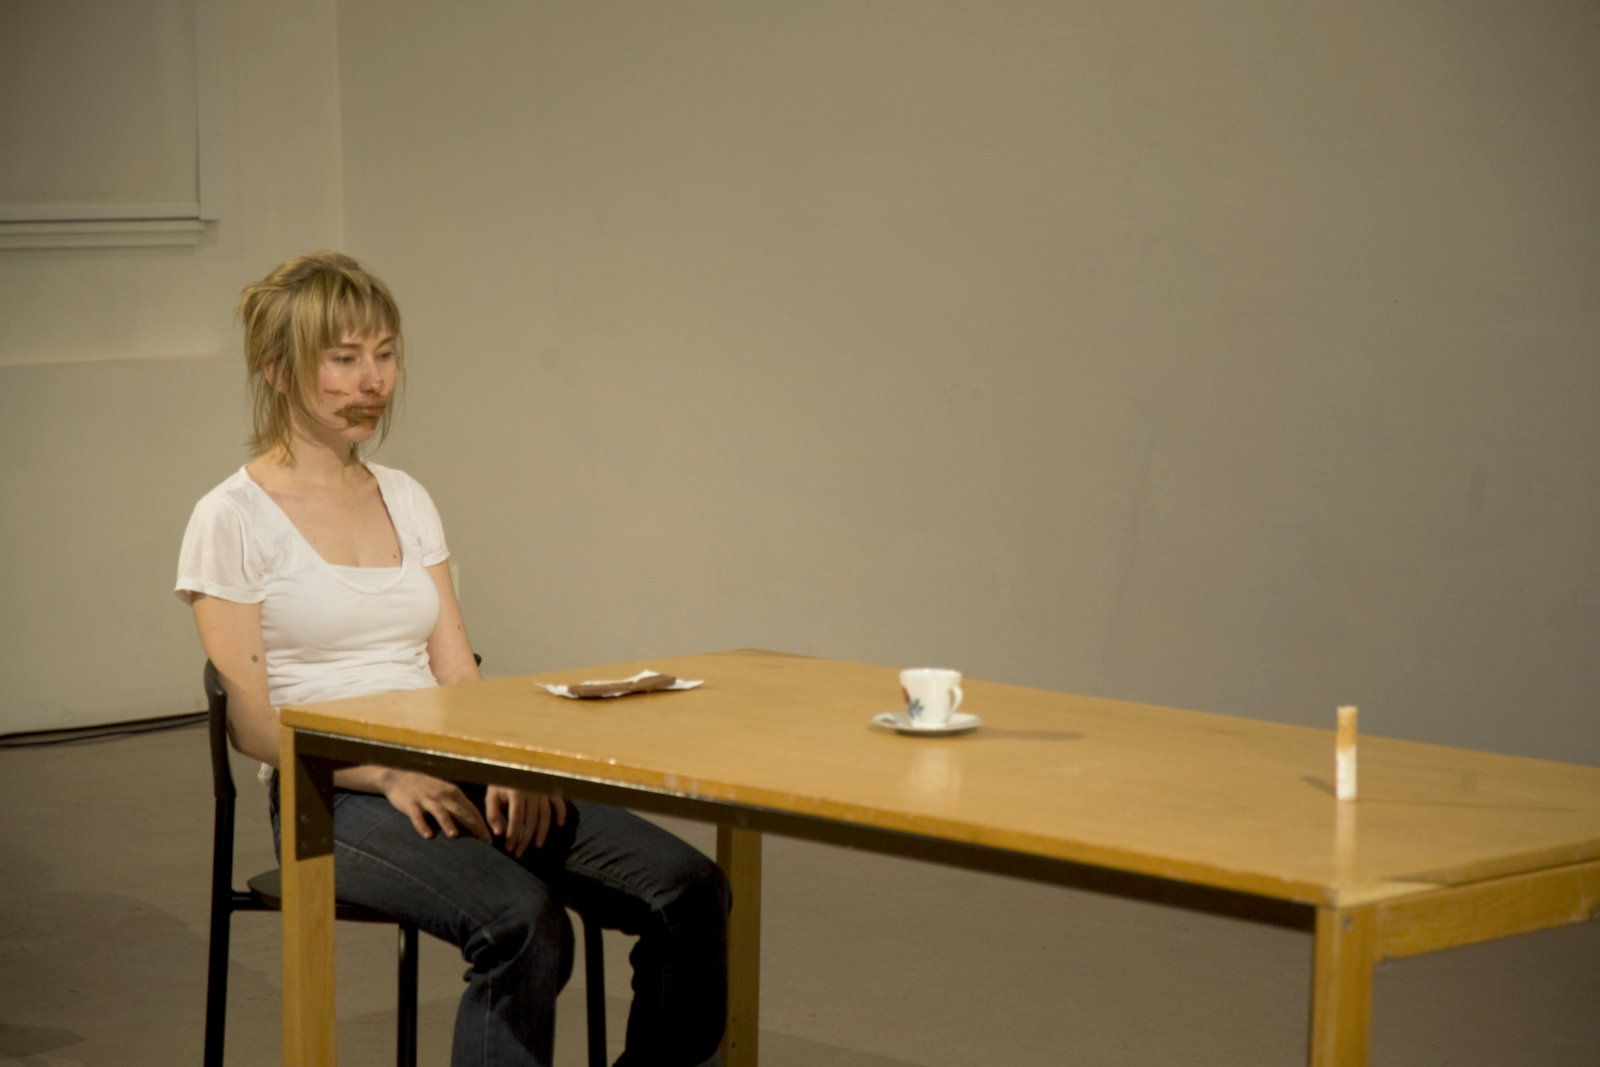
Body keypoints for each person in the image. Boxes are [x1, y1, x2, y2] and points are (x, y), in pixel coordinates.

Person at [176, 251, 729, 1066]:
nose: (374, 380)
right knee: (522, 922)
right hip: (332, 791)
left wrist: (508, 759)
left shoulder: (405, 496)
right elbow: (255, 726)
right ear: (279, 371)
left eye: (385, 354)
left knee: (689, 889)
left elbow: (459, 675)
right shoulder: (230, 517)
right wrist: (387, 772)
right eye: (344, 358)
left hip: (446, 757)